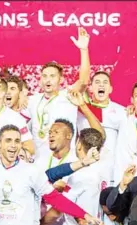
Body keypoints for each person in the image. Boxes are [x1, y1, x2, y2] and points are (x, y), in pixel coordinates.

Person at [24, 27, 91, 159]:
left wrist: (84, 50)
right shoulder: (32, 100)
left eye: (52, 76)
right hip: (39, 161)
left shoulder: (68, 95)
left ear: (61, 80)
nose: (48, 80)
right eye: (44, 76)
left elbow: (83, 80)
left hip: (64, 160)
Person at [75, 71, 126, 184]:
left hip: (111, 170)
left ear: (111, 89)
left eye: (105, 82)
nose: (101, 85)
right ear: (91, 88)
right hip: (86, 168)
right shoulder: (80, 111)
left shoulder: (122, 112)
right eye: (97, 82)